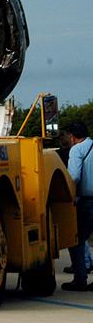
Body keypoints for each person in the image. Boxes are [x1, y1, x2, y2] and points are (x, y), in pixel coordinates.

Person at [62, 121, 93, 292]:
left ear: (72, 137)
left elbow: (73, 176)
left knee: (77, 241)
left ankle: (80, 280)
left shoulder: (76, 150)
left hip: (87, 201)